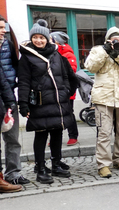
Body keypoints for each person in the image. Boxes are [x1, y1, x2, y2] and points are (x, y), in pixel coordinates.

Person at [18, 19, 77, 184]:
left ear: (47, 38)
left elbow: (65, 75)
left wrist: (66, 91)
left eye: (41, 37)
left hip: (58, 101)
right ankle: (40, 168)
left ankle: (56, 163)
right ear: (31, 39)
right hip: (40, 102)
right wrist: (23, 103)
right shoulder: (27, 57)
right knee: (41, 135)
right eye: (35, 37)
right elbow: (23, 81)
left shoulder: (56, 54)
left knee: (58, 132)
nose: (38, 40)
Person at [84, 27, 119, 178]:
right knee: (104, 132)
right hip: (103, 98)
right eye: (114, 40)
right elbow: (90, 67)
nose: (118, 42)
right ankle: (103, 164)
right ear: (107, 40)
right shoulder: (98, 50)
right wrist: (105, 51)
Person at [0, 12, 29, 185]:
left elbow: (16, 66)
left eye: (4, 27)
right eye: (0, 27)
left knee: (13, 138)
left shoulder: (7, 44)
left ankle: (13, 173)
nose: (4, 31)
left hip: (8, 99)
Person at [50, 31, 79, 146]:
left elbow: (71, 72)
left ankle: (73, 136)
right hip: (55, 90)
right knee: (55, 114)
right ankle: (56, 137)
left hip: (66, 91)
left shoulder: (68, 54)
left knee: (69, 113)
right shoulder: (53, 53)